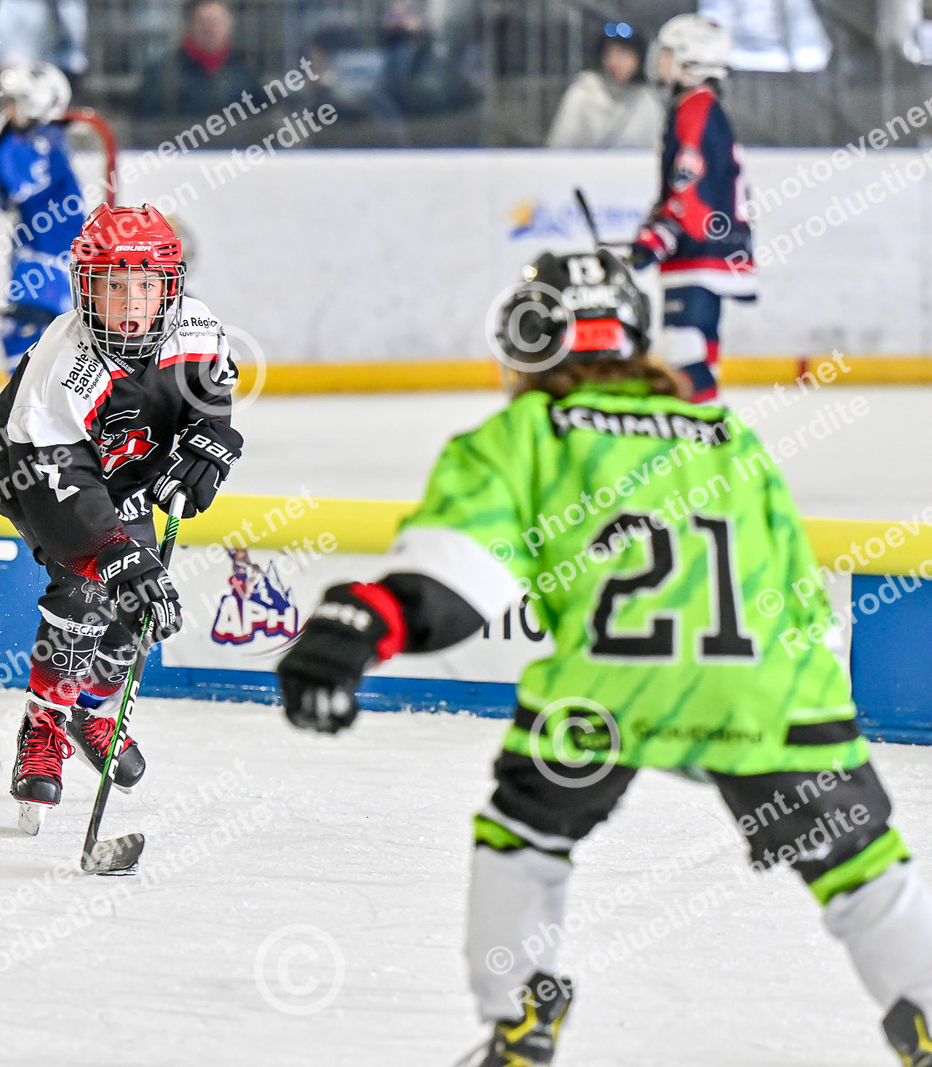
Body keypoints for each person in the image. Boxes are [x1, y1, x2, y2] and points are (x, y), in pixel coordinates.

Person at [276, 250, 932, 1067]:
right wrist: (811, 725)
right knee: (860, 861)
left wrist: (359, 624)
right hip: (771, 690)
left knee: (524, 833)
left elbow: (453, 578)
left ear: (534, 342)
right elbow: (799, 601)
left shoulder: (528, 433)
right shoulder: (726, 436)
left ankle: (520, 1017)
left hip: (604, 695)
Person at [0, 203, 243, 833]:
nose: (130, 303)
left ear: (170, 286)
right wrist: (112, 552)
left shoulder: (198, 331)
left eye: (145, 287)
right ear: (85, 288)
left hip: (124, 469)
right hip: (32, 469)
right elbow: (60, 479)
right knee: (88, 588)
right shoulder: (63, 364)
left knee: (143, 603)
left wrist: (211, 442)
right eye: (113, 286)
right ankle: (45, 724)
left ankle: (92, 710)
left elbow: (211, 402)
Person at [630, 13, 754, 403]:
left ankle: (698, 431)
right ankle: (707, 428)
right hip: (714, 247)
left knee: (684, 357)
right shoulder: (704, 106)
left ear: (692, 60)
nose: (660, 62)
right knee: (700, 353)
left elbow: (690, 187)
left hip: (698, 251)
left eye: (669, 54)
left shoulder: (695, 108)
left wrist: (659, 236)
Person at [0, 61, 86, 372]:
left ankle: (26, 397)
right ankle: (29, 397)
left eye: (15, 102)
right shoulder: (30, 140)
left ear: (36, 104)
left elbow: (21, 183)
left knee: (25, 334)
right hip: (36, 253)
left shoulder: (48, 139)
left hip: (52, 257)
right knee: (27, 336)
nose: (7, 110)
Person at [545, 22, 663, 148]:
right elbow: (561, 144)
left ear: (639, 59)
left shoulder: (646, 100)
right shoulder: (584, 93)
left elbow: (659, 148)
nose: (616, 61)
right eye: (610, 53)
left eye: (624, 54)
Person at [132, 0, 255, 119]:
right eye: (203, 22)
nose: (211, 29)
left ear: (229, 27)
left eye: (217, 22)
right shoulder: (161, 75)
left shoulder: (244, 72)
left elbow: (259, 122)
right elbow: (143, 125)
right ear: (190, 27)